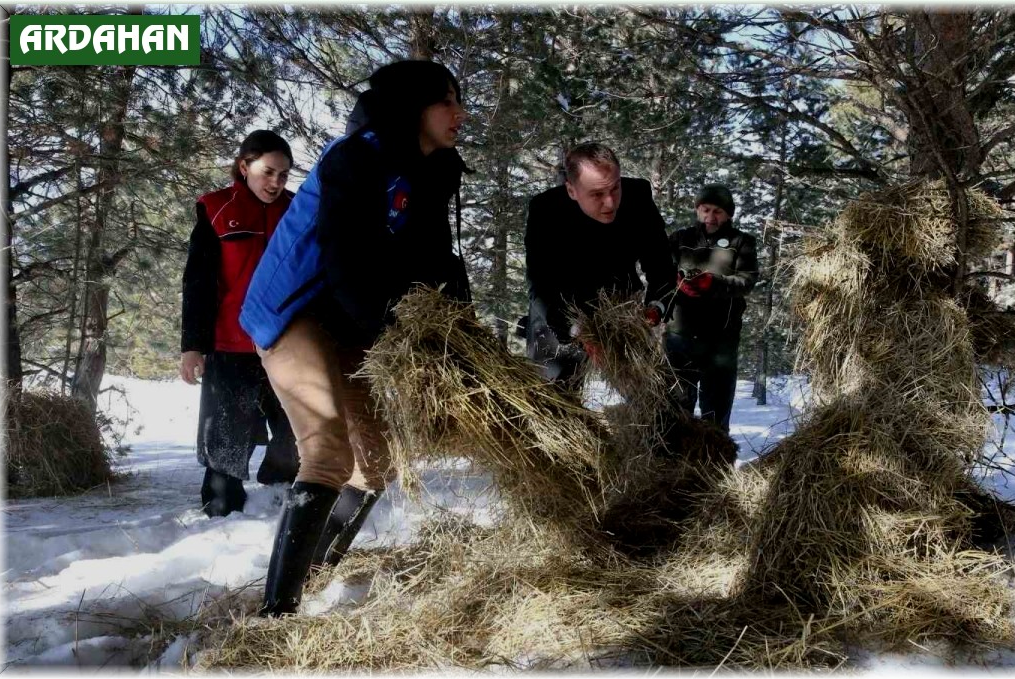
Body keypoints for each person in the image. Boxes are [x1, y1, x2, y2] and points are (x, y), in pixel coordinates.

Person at [239, 60, 470, 616]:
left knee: (377, 459)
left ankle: (316, 572)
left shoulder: (432, 169)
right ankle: (275, 617)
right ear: (413, 107)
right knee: (327, 452)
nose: (459, 114)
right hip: (293, 311)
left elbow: (436, 259)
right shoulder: (356, 159)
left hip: (349, 317)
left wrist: (459, 332)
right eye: (446, 101)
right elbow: (344, 263)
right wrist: (392, 339)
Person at [180, 130, 300, 518]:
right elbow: (198, 282)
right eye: (268, 172)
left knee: (293, 430)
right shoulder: (215, 209)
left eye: (283, 174)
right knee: (226, 438)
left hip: (286, 344)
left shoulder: (296, 211)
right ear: (245, 166)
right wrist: (192, 346)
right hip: (230, 344)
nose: (276, 183)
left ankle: (277, 500)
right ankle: (220, 511)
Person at [524, 142, 676, 388]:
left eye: (615, 188)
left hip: (620, 308)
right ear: (572, 190)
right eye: (596, 194)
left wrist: (656, 307)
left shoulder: (638, 196)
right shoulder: (546, 210)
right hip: (562, 312)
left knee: (656, 395)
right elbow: (540, 285)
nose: (610, 203)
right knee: (554, 397)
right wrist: (576, 330)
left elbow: (661, 265)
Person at [664, 184, 758, 432]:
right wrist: (678, 283)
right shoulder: (680, 239)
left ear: (728, 214)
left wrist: (713, 283)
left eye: (717, 211)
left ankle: (713, 466)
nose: (710, 217)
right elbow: (661, 274)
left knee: (715, 412)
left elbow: (746, 281)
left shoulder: (742, 242)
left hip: (720, 339)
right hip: (679, 335)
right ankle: (675, 464)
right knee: (676, 406)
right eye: (705, 210)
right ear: (697, 210)